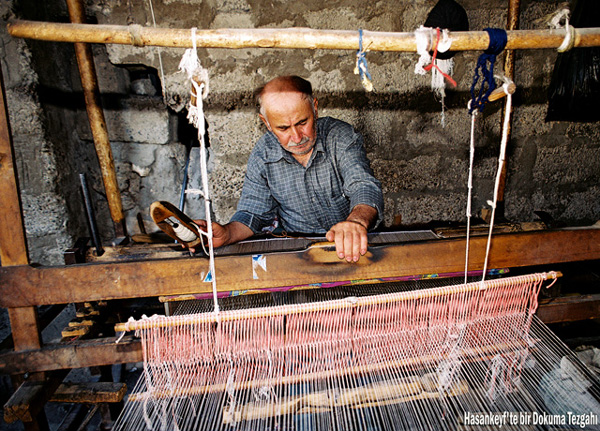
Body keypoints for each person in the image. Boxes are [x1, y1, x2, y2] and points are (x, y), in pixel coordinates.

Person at [196, 75, 383, 262]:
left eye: (302, 122)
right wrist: (227, 233)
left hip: (354, 249)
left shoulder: (340, 137)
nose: (296, 137)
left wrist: (355, 223)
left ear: (315, 109)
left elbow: (363, 186)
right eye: (283, 128)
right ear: (266, 123)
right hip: (301, 256)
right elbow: (253, 214)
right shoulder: (264, 155)